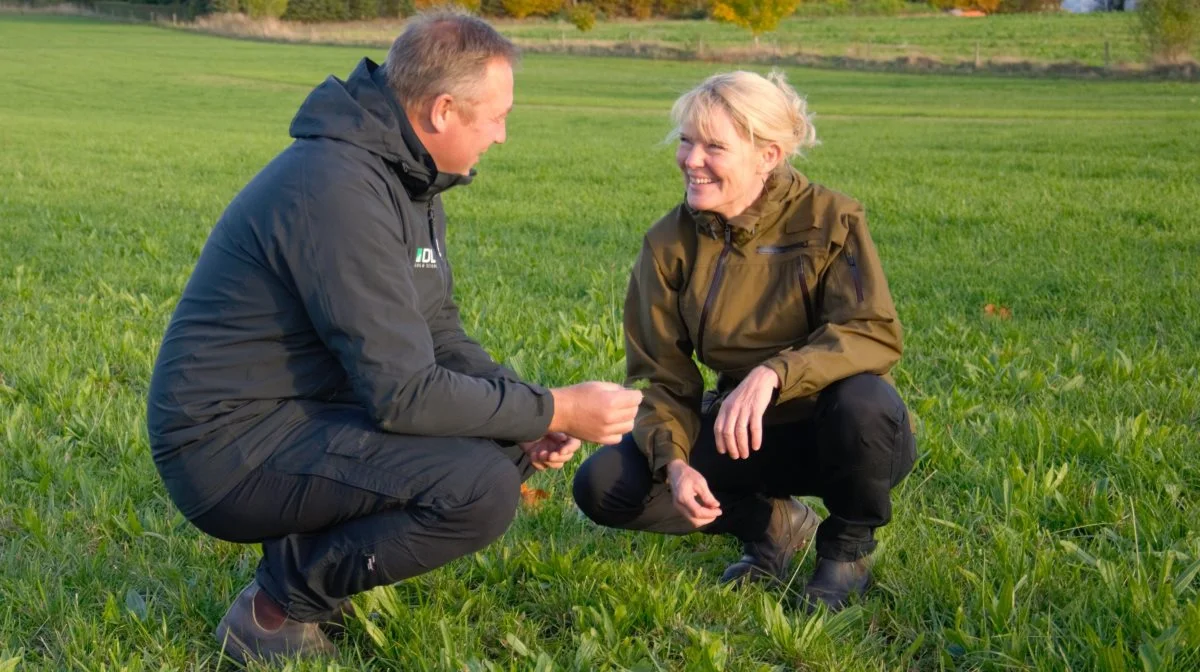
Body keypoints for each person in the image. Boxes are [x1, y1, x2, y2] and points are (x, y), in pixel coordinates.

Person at [147, 12, 641, 663]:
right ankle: (276, 608)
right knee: (480, 488)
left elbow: (436, 331)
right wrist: (555, 407)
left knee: (501, 440)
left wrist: (523, 407)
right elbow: (403, 394)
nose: (502, 135)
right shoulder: (337, 188)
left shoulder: (404, 175)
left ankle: (305, 566)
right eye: (495, 116)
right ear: (441, 111)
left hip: (298, 414)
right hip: (224, 446)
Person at [572, 70, 916, 612]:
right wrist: (676, 464)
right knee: (605, 483)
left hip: (843, 433)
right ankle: (773, 525)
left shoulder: (832, 218)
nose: (690, 159)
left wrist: (775, 373)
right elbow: (660, 374)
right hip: (743, 434)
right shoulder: (667, 243)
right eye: (686, 141)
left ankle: (847, 549)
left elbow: (872, 332)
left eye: (713, 146)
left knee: (865, 403)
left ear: (768, 155)